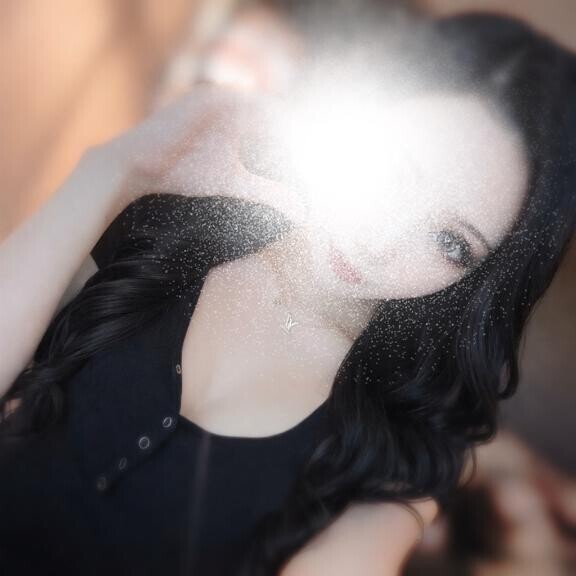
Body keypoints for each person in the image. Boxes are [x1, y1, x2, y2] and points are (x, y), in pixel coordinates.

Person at [1, 7, 575, 576]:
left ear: (481, 277)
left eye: (450, 242)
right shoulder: (174, 222)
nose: (380, 243)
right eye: (397, 173)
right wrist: (111, 171)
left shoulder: (398, 454)